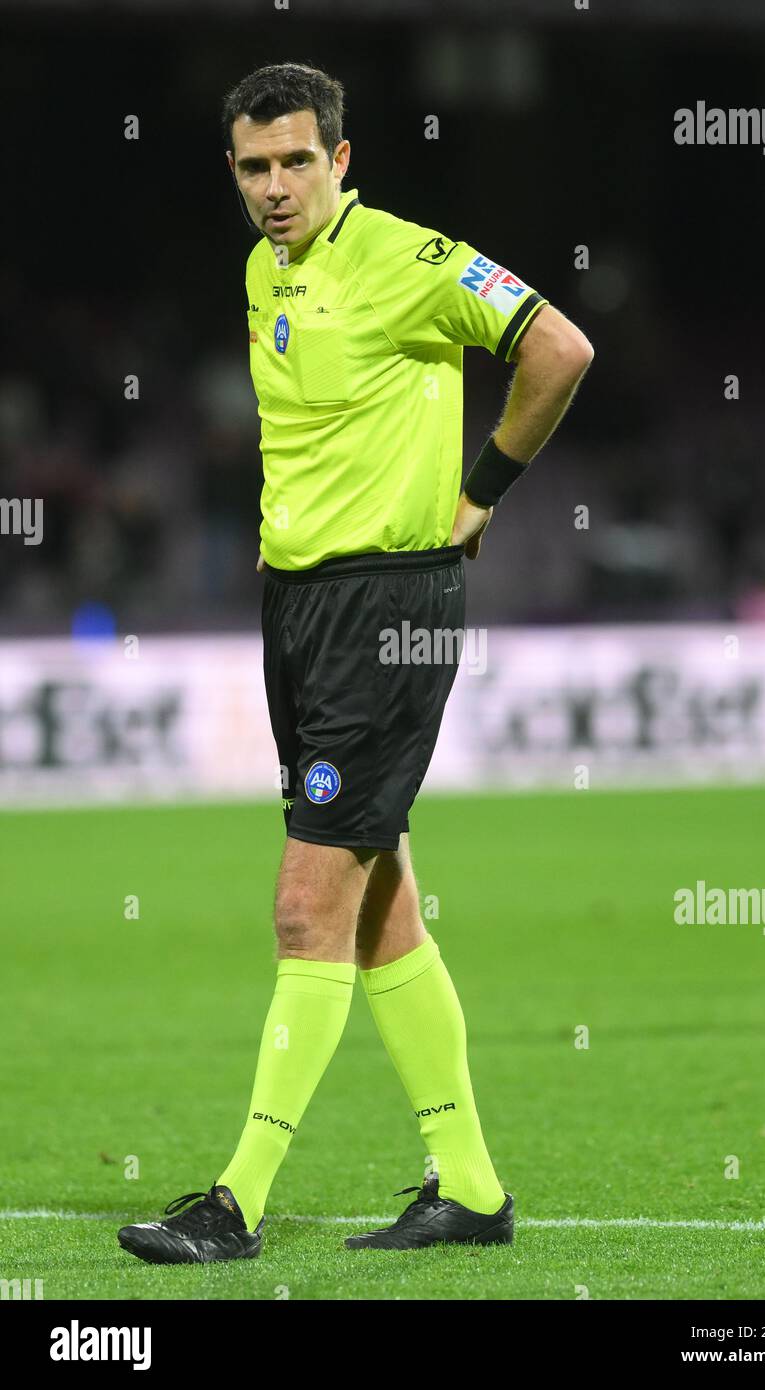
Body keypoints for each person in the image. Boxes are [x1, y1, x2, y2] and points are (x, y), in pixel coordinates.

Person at [118, 61, 593, 1263]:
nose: (274, 187)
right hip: (298, 609)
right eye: (251, 166)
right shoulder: (258, 269)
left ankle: (236, 1201)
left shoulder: (410, 258)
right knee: (380, 908)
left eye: (294, 162)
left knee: (303, 904)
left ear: (341, 160)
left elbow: (559, 348)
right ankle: (472, 1189)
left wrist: (481, 492)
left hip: (385, 605)